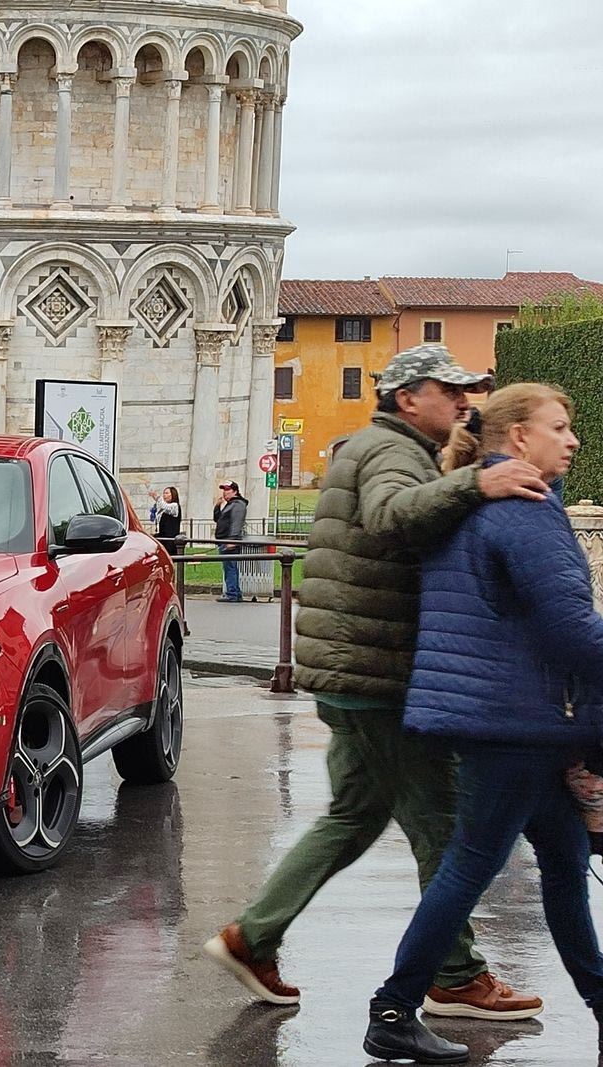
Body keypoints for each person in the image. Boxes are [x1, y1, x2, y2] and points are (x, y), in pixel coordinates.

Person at [205, 344, 549, 1020]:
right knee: (444, 828)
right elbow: (395, 514)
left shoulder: (374, 446)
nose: (462, 404)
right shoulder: (390, 452)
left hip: (354, 669)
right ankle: (455, 974)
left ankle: (253, 937)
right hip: (377, 674)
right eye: (449, 392)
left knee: (354, 815)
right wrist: (478, 483)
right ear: (407, 396)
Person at [362, 384, 603, 1063]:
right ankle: (392, 1006)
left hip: (494, 714)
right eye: (560, 426)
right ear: (518, 439)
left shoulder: (474, 505)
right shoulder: (527, 512)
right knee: (471, 863)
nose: (573, 439)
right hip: (516, 720)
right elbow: (573, 633)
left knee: (563, 858)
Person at [212, 481, 247, 602]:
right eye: (224, 490)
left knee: (230, 567)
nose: (225, 492)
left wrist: (233, 540)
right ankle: (234, 592)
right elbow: (218, 519)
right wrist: (217, 506)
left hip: (229, 540)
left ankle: (232, 593)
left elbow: (236, 523)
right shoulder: (230, 504)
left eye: (228, 490)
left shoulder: (238, 505)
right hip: (225, 540)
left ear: (235, 491)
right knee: (230, 567)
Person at [150, 486, 182, 555]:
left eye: (167, 493)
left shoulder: (175, 506)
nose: (164, 495)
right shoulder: (165, 509)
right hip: (163, 539)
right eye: (164, 493)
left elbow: (164, 506)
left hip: (170, 541)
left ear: (173, 494)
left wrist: (158, 498)